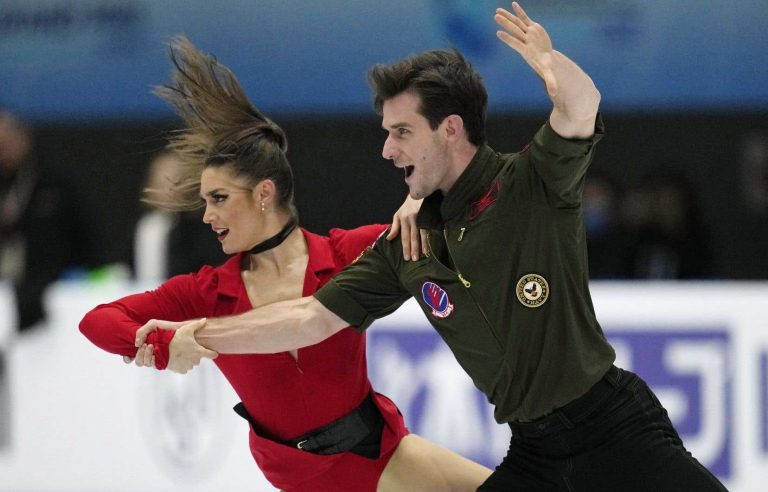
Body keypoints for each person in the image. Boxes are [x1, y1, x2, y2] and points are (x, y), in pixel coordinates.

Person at [134, 3, 729, 491]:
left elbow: (581, 106)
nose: (387, 150)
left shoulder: (530, 184)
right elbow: (309, 319)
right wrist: (201, 334)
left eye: (401, 132)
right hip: (536, 456)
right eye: (385, 133)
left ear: (450, 128)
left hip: (613, 432)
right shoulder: (408, 243)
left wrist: (553, 66)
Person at [79, 37, 491, 492]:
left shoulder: (345, 253)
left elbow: (464, 226)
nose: (208, 215)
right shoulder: (207, 294)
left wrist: (422, 206)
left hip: (379, 455)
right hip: (303, 479)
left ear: (263, 194)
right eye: (204, 202)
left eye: (219, 199)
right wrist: (164, 346)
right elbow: (97, 321)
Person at [0, 110, 81, 331]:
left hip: (49, 285)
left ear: (24, 138)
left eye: (7, 142)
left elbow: (79, 234)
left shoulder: (53, 183)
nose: (3, 151)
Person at [133, 149, 227, 282]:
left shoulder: (198, 230)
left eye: (172, 185)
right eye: (159, 184)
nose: (166, 191)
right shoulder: (143, 225)